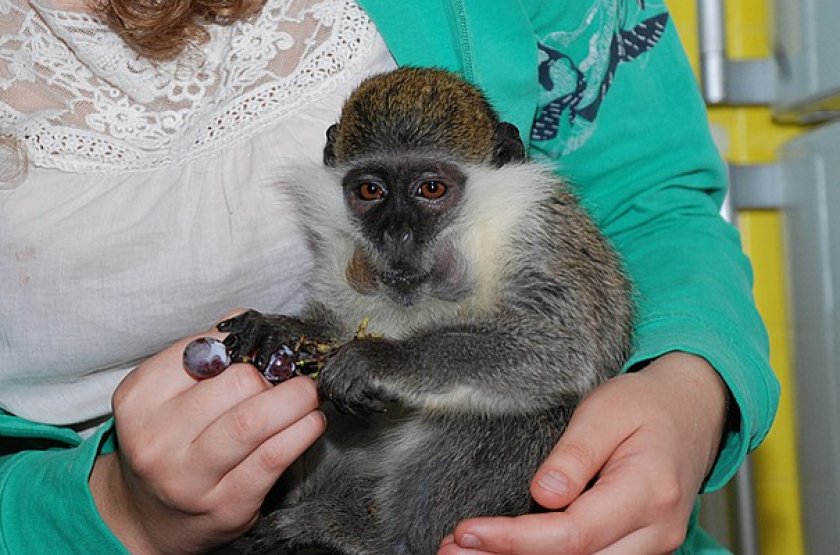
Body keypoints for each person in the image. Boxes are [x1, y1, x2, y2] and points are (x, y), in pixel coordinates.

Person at [0, 0, 779, 553]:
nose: (401, 232)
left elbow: (644, 212)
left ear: (500, 165)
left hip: (500, 493)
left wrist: (690, 388)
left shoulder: (526, 227)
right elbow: (348, 345)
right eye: (371, 193)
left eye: (432, 191)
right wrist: (107, 514)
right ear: (335, 168)